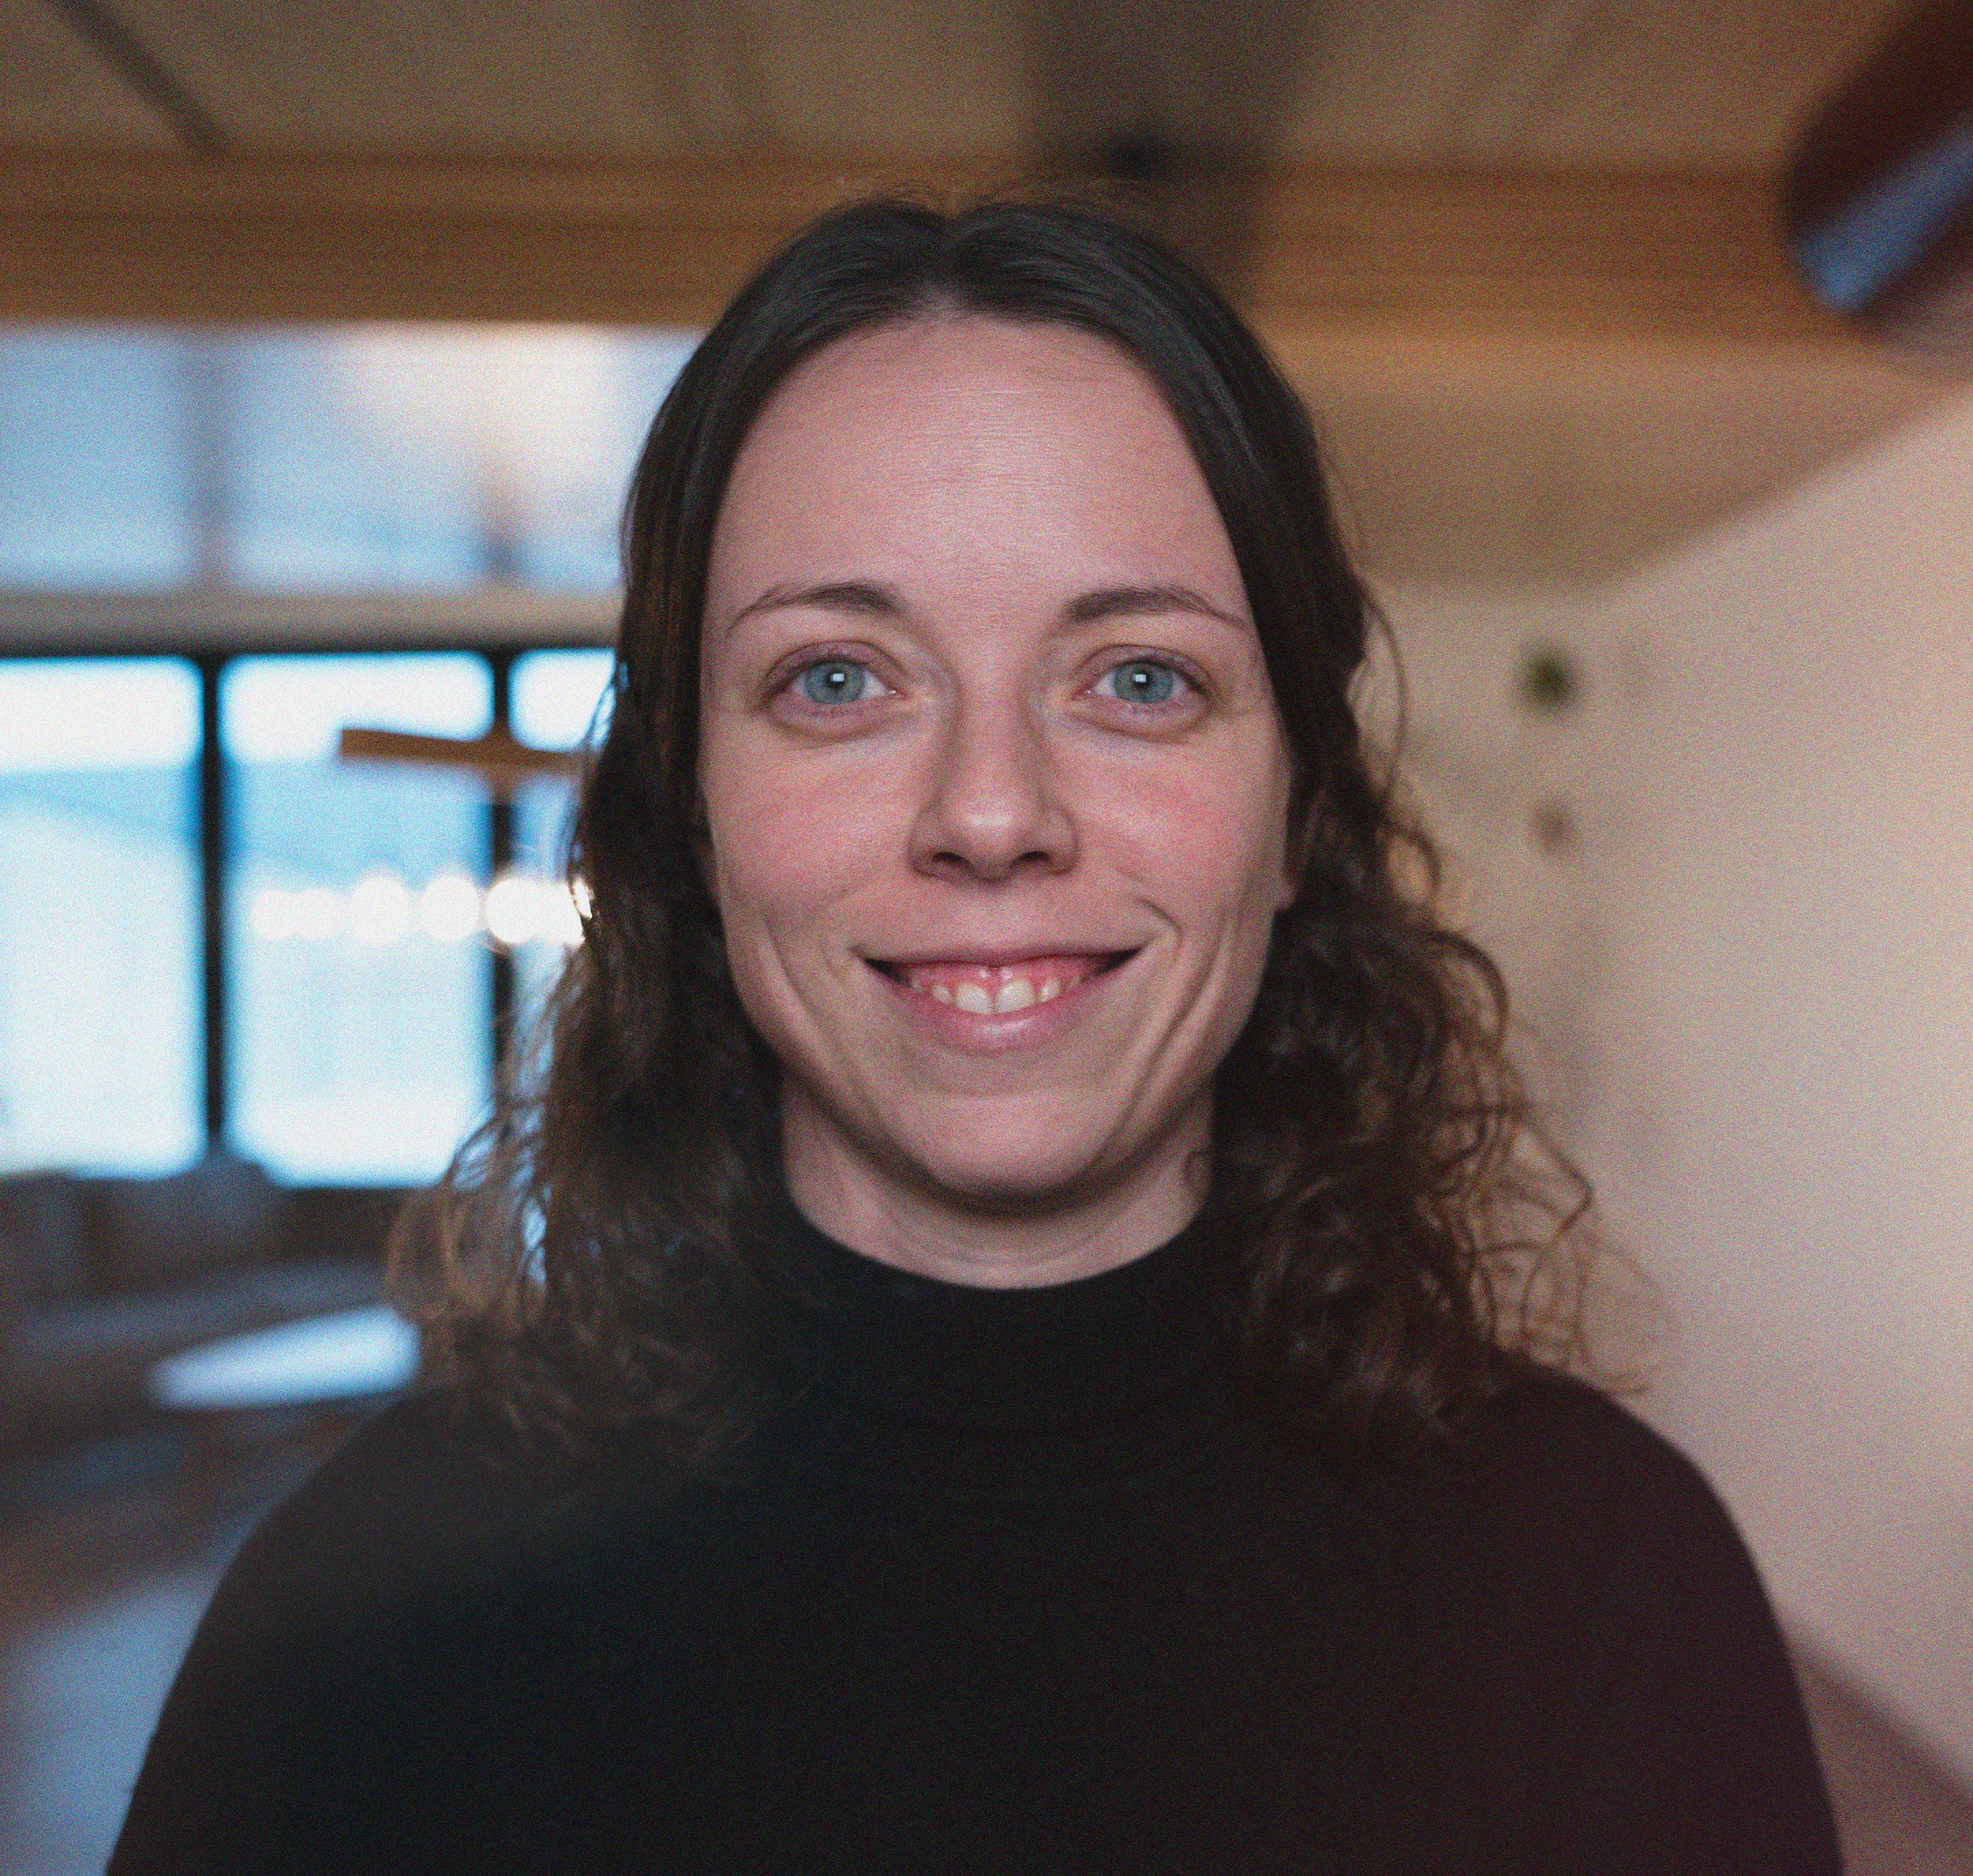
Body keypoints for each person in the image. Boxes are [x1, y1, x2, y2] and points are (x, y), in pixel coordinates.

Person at [110, 197, 1842, 1874]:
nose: (991, 811)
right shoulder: (354, 1628)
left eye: (1139, 679)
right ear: (687, 814)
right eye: (839, 680)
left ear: (1297, 799)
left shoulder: (1601, 1586)